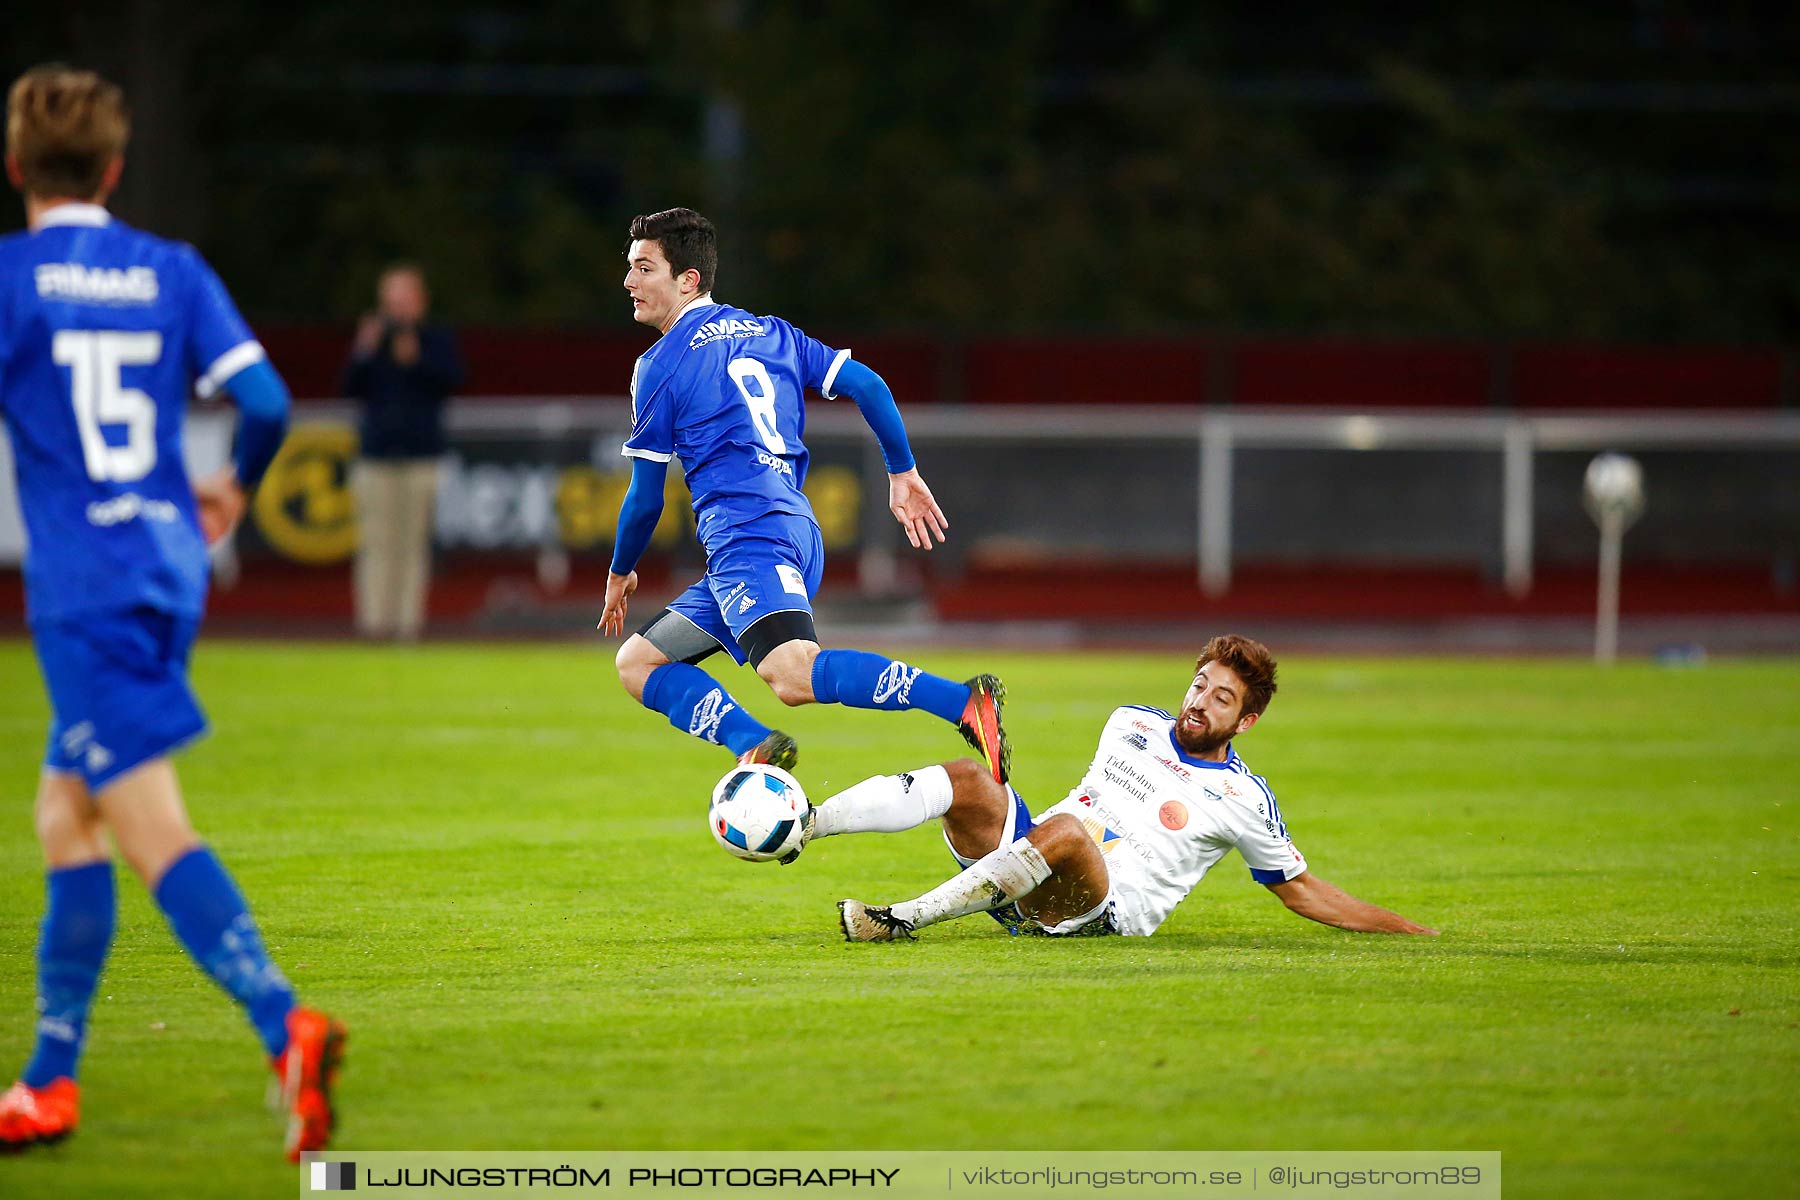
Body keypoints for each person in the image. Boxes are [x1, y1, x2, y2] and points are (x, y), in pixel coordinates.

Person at [0, 65, 344, 1159]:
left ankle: (284, 1023)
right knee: (68, 818)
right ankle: (49, 1083)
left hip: (85, 585)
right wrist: (233, 486)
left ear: (16, 169)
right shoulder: (169, 270)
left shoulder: (11, 280)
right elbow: (266, 402)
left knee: (148, 825)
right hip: (164, 563)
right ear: (113, 168)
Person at [597, 208, 1008, 785]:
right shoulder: (773, 332)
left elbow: (645, 500)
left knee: (793, 677)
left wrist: (620, 573)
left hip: (750, 535)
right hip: (786, 529)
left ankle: (962, 702)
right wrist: (902, 471)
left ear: (687, 279)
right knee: (638, 662)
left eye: (644, 268)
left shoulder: (660, 367)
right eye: (630, 268)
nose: (629, 282)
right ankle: (754, 744)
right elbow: (867, 382)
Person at [813, 634, 1437, 941]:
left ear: (1245, 722)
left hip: (1094, 911)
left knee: (1069, 833)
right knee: (970, 777)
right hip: (1026, 866)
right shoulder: (1131, 722)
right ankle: (806, 824)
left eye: (1222, 699)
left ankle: (899, 919)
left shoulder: (1245, 800)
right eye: (1199, 684)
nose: (1200, 702)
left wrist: (1406, 931)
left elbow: (1301, 892)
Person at [343, 262, 462, 640]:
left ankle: (408, 628)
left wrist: (416, 358)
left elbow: (454, 380)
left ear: (419, 301)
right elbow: (347, 386)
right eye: (391, 299)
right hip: (375, 457)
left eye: (404, 298)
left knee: (413, 547)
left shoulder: (435, 338)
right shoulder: (372, 341)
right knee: (375, 545)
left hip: (421, 457)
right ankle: (373, 626)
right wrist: (364, 348)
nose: (397, 307)